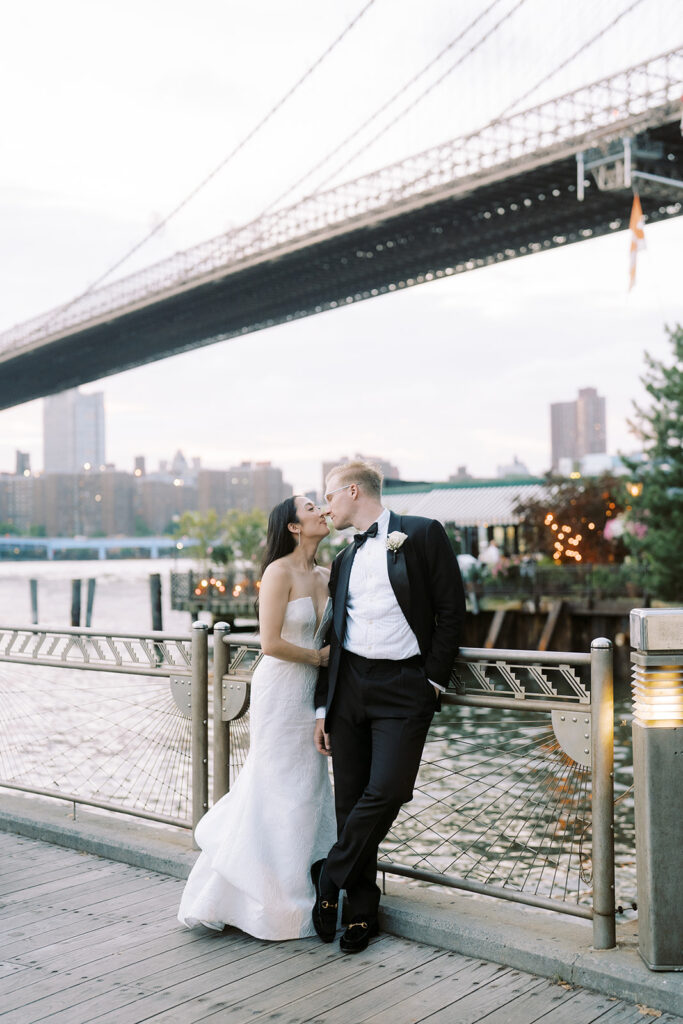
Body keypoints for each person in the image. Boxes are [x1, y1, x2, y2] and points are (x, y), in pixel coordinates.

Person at [311, 461, 466, 953]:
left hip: (405, 685)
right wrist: (322, 709)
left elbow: (451, 609)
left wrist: (433, 681)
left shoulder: (421, 534)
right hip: (350, 686)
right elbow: (330, 638)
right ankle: (360, 912)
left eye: (329, 496)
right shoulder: (343, 559)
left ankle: (328, 873)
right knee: (350, 800)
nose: (326, 505)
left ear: (352, 491)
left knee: (391, 788)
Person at [178, 495, 337, 940]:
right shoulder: (277, 572)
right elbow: (269, 643)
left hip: (313, 695)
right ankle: (268, 896)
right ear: (292, 526)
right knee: (276, 785)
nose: (320, 510)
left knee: (308, 788)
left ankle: (300, 884)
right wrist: (318, 659)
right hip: (282, 689)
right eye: (310, 507)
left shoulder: (327, 574)